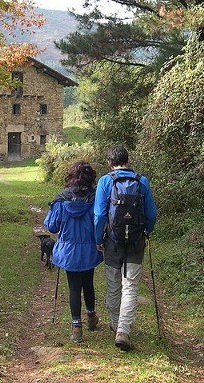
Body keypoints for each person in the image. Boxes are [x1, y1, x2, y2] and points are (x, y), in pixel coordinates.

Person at [94, 145, 157, 351]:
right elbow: (151, 214)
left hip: (113, 241)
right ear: (128, 161)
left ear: (109, 163)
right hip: (136, 241)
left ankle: (114, 323)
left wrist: (98, 238)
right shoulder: (142, 181)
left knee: (113, 285)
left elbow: (99, 215)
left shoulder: (105, 181)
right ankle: (123, 330)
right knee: (130, 286)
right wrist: (146, 231)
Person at [44, 161, 103, 343]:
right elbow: (100, 221)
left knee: (74, 287)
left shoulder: (61, 199)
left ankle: (76, 327)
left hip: (68, 251)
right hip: (89, 249)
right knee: (88, 283)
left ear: (71, 178)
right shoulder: (95, 199)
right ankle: (91, 317)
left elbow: (51, 227)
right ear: (91, 178)